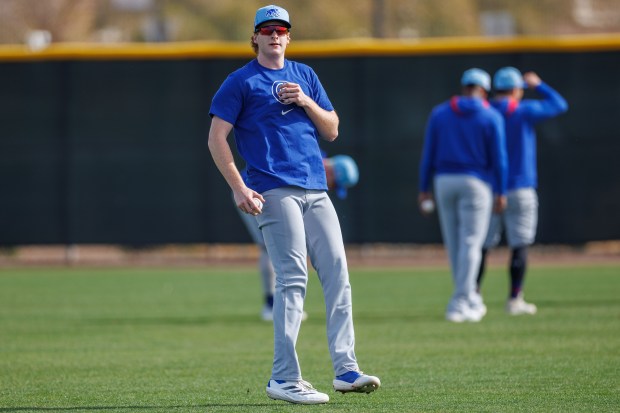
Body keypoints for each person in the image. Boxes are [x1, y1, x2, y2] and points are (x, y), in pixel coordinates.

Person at [207, 5, 379, 405]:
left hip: (316, 188)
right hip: (273, 188)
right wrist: (238, 187)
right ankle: (284, 377)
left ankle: (345, 368)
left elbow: (332, 130)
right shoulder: (240, 82)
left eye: (281, 29)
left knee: (337, 271)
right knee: (292, 278)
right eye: (266, 29)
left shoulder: (305, 76)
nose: (274, 35)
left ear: (288, 36)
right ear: (255, 37)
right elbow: (217, 138)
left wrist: (305, 100)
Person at [418, 68, 508, 323]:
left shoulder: (440, 113)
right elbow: (499, 160)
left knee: (455, 245)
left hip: (443, 181)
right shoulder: (491, 115)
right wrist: (501, 190)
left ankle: (469, 297)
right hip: (476, 183)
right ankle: (460, 300)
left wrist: (424, 188)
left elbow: (428, 155)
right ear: (483, 89)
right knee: (471, 243)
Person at [477, 67, 568, 315]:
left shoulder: (486, 111)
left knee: (482, 246)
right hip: (521, 188)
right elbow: (560, 104)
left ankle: (473, 297)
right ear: (517, 89)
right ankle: (514, 299)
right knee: (520, 245)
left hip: (491, 188)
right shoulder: (524, 110)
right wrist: (538, 85)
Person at [238, 154, 359, 322]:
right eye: (335, 183)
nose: (331, 187)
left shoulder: (310, 157)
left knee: (287, 246)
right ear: (332, 173)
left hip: (270, 192)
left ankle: (284, 304)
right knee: (270, 246)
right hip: (253, 191)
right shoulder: (309, 156)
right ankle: (271, 304)